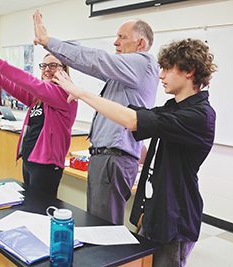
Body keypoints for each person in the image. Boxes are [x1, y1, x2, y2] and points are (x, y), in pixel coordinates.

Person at [53, 38, 217, 267]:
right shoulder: (174, 107)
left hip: (175, 218)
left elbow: (132, 120)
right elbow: (135, 115)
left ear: (189, 71)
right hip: (156, 211)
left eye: (168, 69)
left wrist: (81, 93)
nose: (161, 75)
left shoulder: (200, 116)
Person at [33, 11, 159, 224]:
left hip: (114, 157)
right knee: (98, 223)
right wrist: (50, 44)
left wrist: (48, 41)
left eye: (122, 37)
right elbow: (85, 57)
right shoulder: (122, 73)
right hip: (106, 157)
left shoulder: (142, 63)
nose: (116, 42)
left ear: (141, 43)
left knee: (104, 228)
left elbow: (97, 59)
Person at [0, 44, 77, 197]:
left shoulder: (65, 94)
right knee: (30, 207)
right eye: (44, 65)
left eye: (53, 65)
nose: (47, 69)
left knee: (41, 210)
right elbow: (13, 86)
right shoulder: (39, 98)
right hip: (30, 159)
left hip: (46, 165)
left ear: (64, 70)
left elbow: (28, 81)